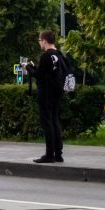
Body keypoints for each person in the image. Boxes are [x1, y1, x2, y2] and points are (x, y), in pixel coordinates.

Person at [33, 30, 69, 163]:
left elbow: (38, 75)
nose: (39, 43)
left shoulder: (46, 56)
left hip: (46, 95)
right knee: (55, 122)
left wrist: (28, 68)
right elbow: (48, 73)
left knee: (47, 124)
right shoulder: (59, 55)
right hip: (57, 94)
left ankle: (49, 155)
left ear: (44, 41)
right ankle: (58, 154)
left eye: (39, 40)